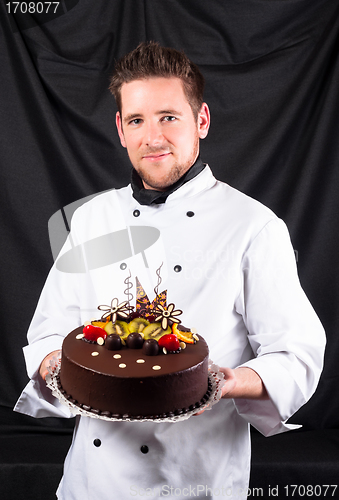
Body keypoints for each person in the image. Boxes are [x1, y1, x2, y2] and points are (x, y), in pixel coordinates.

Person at [15, 42, 326, 499]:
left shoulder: (253, 226)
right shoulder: (91, 219)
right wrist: (64, 370)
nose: (153, 137)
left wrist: (222, 381)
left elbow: (296, 356)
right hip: (92, 481)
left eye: (169, 117)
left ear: (200, 120)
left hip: (195, 481)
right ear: (121, 129)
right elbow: (48, 334)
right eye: (137, 120)